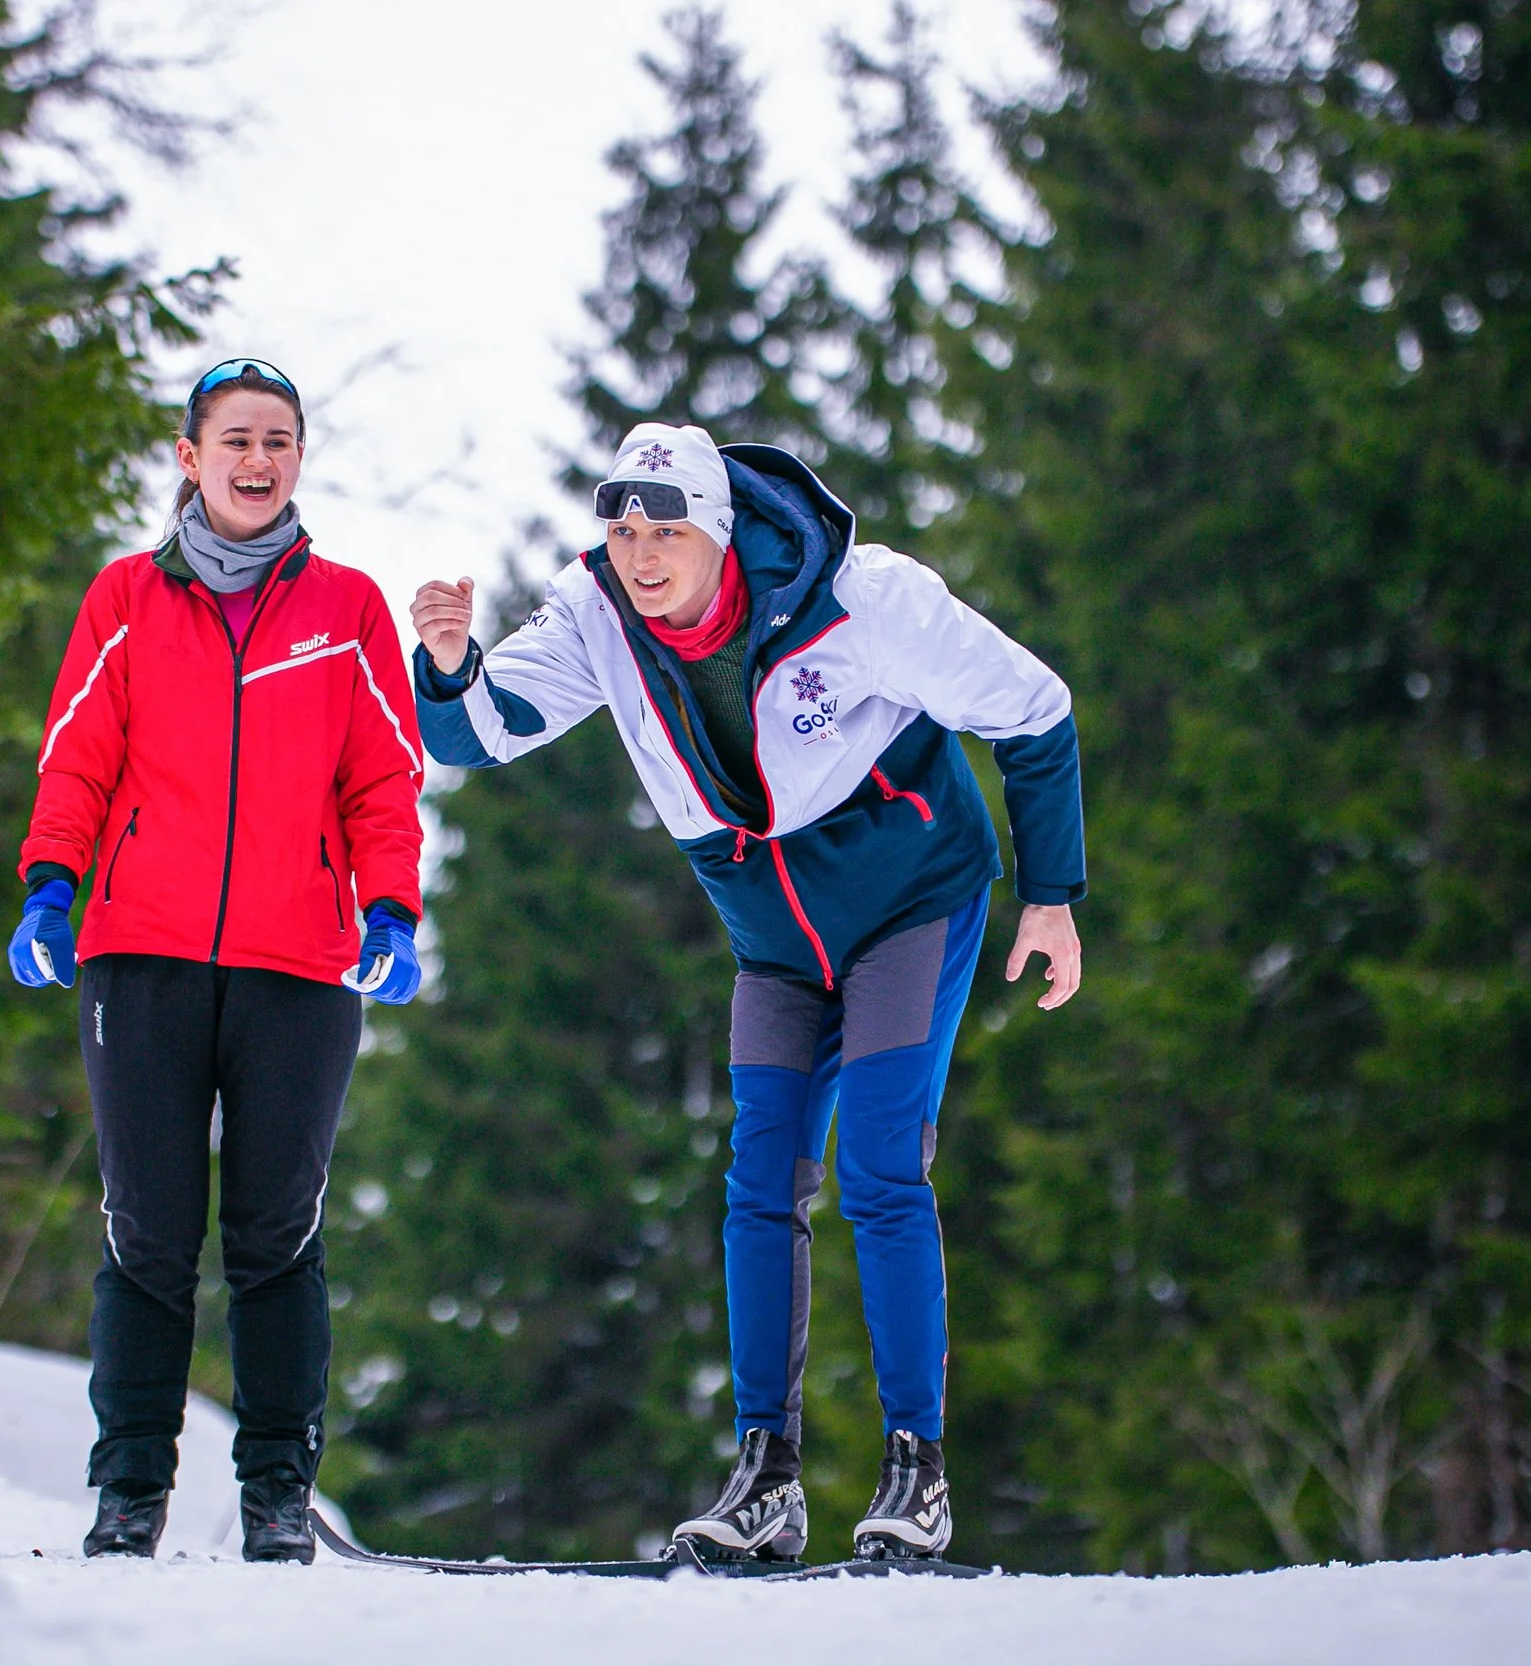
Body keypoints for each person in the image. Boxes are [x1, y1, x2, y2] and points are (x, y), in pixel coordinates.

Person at [409, 423, 1083, 1564]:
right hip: (775, 946)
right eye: (622, 531)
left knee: (877, 1162)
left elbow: (1036, 707)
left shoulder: (863, 600)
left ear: (717, 532)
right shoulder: (596, 616)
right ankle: (765, 1477)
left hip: (910, 904)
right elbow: (478, 733)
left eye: (666, 530)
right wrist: (446, 662)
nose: (641, 553)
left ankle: (916, 1471)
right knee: (761, 1177)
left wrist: (1052, 893)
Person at [9, 358, 427, 1564]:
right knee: (145, 1235)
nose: (259, 460)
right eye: (236, 438)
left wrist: (390, 909)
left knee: (275, 1235)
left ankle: (279, 1497)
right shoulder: (126, 597)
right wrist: (50, 884)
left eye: (280, 441)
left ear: (299, 460)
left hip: (299, 966)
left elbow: (381, 780)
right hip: (138, 957)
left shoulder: (346, 608)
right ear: (189, 458)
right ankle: (127, 1493)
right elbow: (78, 755)